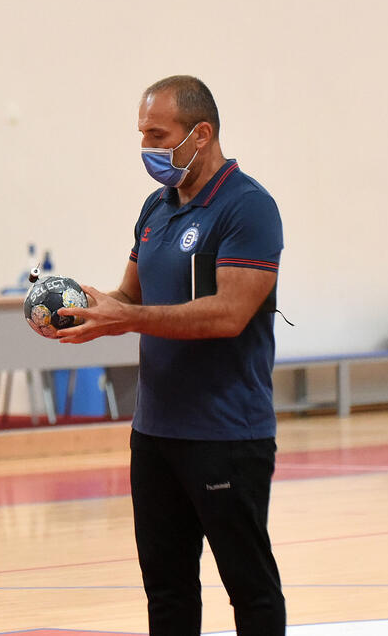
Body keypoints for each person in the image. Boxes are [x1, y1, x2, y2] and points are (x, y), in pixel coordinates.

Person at [56, 75, 286, 635]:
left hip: (226, 434)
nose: (146, 148)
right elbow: (131, 296)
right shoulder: (156, 208)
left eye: (157, 136)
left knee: (249, 587)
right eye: (142, 134)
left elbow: (228, 314)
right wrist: (86, 308)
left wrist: (126, 318)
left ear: (200, 134)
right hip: (155, 434)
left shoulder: (248, 208)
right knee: (167, 589)